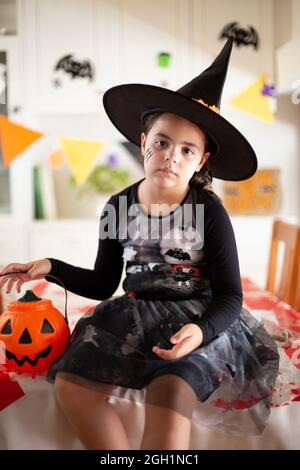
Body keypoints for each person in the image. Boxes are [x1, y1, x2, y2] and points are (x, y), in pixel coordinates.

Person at [0, 38, 279, 450]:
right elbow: (102, 283)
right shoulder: (118, 206)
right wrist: (50, 266)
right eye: (163, 142)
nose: (171, 156)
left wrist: (201, 332)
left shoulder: (209, 212)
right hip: (132, 319)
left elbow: (230, 295)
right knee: (72, 384)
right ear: (144, 140)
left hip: (193, 322)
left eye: (187, 150)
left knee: (169, 398)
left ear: (201, 160)